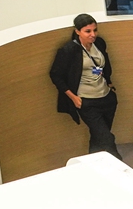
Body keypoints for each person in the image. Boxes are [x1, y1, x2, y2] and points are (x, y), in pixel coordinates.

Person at [49, 14, 120, 159]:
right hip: (87, 102)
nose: (93, 35)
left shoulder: (99, 43)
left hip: (106, 98)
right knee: (107, 139)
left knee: (98, 136)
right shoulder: (69, 50)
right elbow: (55, 75)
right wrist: (73, 97)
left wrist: (110, 83)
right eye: (88, 31)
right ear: (77, 31)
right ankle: (121, 168)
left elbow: (104, 64)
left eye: (95, 30)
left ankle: (92, 164)